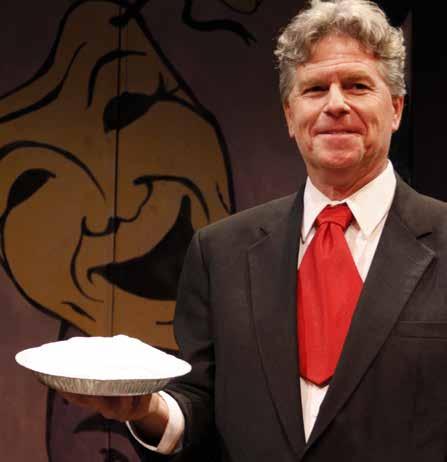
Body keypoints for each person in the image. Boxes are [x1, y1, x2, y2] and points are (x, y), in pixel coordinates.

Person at [64, 0, 447, 461]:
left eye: (357, 86)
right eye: (315, 89)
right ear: (289, 115)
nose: (335, 104)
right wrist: (147, 410)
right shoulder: (219, 251)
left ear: (397, 108)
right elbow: (199, 401)